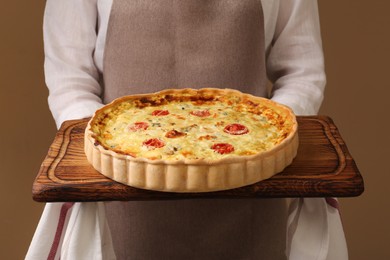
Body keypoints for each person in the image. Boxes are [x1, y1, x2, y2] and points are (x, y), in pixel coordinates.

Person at [26, 0, 348, 259]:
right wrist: (115, 155)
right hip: (123, 206)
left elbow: (302, 71)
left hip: (249, 199)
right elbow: (70, 78)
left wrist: (264, 143)